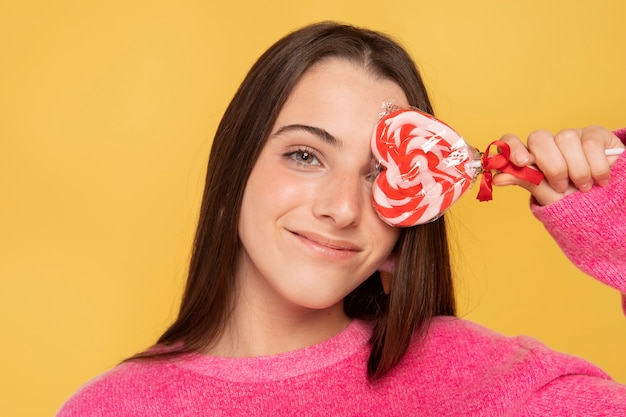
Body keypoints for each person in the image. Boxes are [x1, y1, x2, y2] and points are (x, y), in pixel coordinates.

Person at [56, 22, 626, 416]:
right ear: (235, 174)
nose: (343, 207)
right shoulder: (112, 408)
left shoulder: (488, 384)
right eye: (305, 156)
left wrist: (616, 222)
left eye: (381, 173)